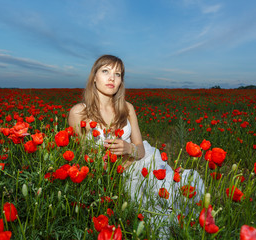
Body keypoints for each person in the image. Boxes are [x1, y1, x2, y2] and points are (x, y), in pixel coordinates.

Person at [68, 55, 205, 238]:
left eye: (118, 74)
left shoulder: (127, 108)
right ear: (94, 77)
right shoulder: (79, 112)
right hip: (112, 178)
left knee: (169, 193)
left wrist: (128, 148)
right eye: (105, 71)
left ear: (121, 81)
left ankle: (190, 226)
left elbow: (140, 149)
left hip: (141, 164)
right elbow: (83, 156)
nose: (112, 78)